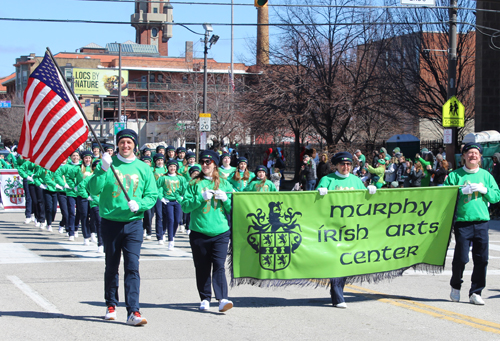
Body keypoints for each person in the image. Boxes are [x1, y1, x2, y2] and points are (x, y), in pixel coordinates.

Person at [88, 129, 158, 325]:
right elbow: (93, 189)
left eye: (129, 142)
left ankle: (133, 311)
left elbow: (152, 195)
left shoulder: (143, 168)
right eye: (122, 142)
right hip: (111, 223)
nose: (125, 146)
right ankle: (111, 304)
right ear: (117, 144)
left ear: (135, 145)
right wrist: (102, 169)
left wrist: (140, 205)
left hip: (134, 224)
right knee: (111, 266)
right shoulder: (108, 165)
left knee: (132, 267)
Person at [316, 152, 377, 308]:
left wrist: (372, 194)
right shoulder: (327, 180)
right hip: (332, 227)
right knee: (337, 260)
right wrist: (319, 194)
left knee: (345, 261)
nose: (346, 167)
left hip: (351, 228)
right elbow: (314, 204)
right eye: (343, 164)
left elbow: (364, 204)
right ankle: (338, 297)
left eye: (349, 164)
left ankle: (338, 292)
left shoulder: (356, 181)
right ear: (336, 165)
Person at [176, 150, 234, 313]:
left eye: (208, 162)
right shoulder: (194, 183)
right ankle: (205, 298)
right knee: (202, 267)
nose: (204, 165)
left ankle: (222, 299)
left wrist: (227, 199)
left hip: (221, 231)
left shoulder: (224, 183)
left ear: (215, 164)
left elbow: (233, 208)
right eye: (202, 162)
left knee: (219, 265)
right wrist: (200, 197)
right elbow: (186, 206)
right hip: (199, 231)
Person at [444, 143, 500, 305]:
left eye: (476, 153)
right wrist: (460, 192)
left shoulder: (486, 175)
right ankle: (455, 286)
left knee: (482, 259)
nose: (473, 156)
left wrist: (485, 191)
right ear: (464, 156)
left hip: (482, 222)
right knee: (461, 258)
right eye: (469, 153)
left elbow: (496, 196)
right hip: (463, 223)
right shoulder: (455, 175)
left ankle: (476, 292)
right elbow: (445, 196)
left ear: (480, 157)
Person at [157, 159, 186, 250]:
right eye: (170, 166)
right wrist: (161, 197)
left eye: (174, 166)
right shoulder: (163, 178)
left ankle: (172, 236)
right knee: (170, 220)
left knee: (177, 220)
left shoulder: (181, 178)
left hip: (178, 202)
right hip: (168, 201)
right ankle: (170, 240)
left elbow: (185, 188)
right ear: (167, 167)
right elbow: (157, 187)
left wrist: (182, 196)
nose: (172, 168)